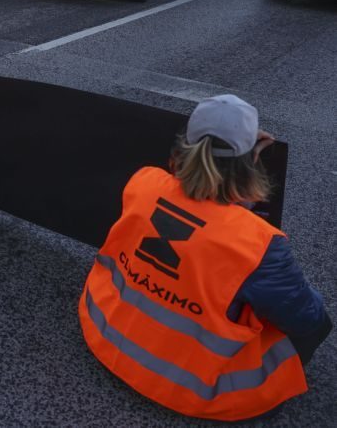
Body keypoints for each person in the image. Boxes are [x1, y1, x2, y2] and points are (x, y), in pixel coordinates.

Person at [79, 95, 332, 422]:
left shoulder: (143, 183)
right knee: (314, 315)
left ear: (186, 146)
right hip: (194, 389)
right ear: (250, 162)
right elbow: (307, 320)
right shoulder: (258, 243)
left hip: (106, 333)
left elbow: (192, 207)